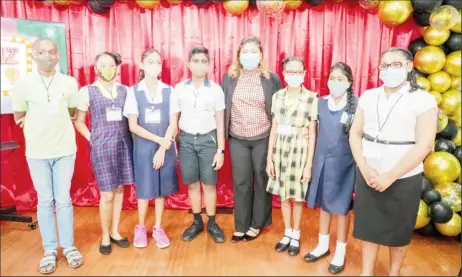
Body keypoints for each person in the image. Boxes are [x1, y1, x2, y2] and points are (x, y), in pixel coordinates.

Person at [349, 47, 437, 276]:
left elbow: (425, 144)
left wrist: (391, 176)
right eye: (384, 66)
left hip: (404, 176)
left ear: (409, 67)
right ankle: (366, 272)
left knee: (399, 231)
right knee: (369, 228)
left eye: (396, 64)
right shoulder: (369, 96)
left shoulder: (423, 100)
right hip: (369, 172)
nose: (389, 70)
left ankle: (394, 272)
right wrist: (364, 167)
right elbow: (355, 134)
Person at [11, 37, 83, 274]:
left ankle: (69, 247)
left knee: (63, 200)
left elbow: (73, 111)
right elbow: (18, 114)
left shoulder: (70, 82)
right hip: (37, 152)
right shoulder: (23, 83)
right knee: (45, 201)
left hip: (64, 150)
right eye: (42, 52)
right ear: (34, 56)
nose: (48, 56)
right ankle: (50, 250)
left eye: (52, 52)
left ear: (58, 56)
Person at [222, 36, 282, 242]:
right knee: (241, 181)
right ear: (239, 55)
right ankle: (241, 225)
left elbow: (279, 109)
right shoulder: (229, 78)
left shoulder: (271, 79)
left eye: (253, 51)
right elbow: (223, 109)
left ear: (261, 55)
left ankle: (257, 223)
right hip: (237, 137)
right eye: (245, 51)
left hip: (263, 136)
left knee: (262, 179)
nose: (249, 55)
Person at [74, 52, 134, 255]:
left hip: (124, 144)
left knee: (119, 190)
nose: (108, 68)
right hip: (101, 147)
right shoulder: (87, 91)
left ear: (117, 68)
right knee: (107, 193)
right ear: (96, 68)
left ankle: (116, 231)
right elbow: (79, 121)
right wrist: (93, 139)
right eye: (103, 65)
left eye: (111, 65)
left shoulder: (125, 90)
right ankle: (106, 235)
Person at [123, 49, 179, 249]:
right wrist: (159, 141)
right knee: (145, 190)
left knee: (161, 190)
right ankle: (140, 227)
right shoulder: (133, 92)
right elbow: (133, 126)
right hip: (144, 148)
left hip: (165, 147)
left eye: (157, 62)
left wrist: (163, 147)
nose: (154, 66)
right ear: (141, 64)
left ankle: (157, 227)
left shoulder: (169, 91)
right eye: (150, 62)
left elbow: (173, 122)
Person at [304, 62, 357, 274]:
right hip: (322, 160)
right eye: (332, 78)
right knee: (324, 205)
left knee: (342, 208)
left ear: (349, 83)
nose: (335, 83)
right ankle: (323, 245)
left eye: (340, 79)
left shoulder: (357, 105)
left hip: (345, 163)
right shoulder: (320, 103)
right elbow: (314, 133)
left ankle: (341, 251)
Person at [266, 56, 317, 256]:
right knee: (283, 195)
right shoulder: (277, 96)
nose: (294, 75)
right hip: (280, 149)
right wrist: (269, 158)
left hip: (300, 149)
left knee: (297, 196)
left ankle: (296, 233)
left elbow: (312, 133)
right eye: (290, 72)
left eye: (298, 72)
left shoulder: (312, 97)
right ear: (284, 74)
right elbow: (274, 128)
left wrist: (308, 165)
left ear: (304, 74)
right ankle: (287, 232)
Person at [175, 46, 226, 243]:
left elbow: (220, 121)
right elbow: (174, 119)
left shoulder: (215, 89)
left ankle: (212, 222)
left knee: (209, 183)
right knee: (193, 183)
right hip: (186, 140)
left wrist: (220, 150)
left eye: (203, 61)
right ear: (188, 64)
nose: (199, 65)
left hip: (208, 141)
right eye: (195, 61)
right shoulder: (179, 89)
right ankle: (197, 221)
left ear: (209, 65)